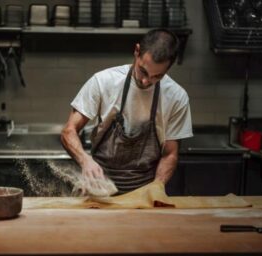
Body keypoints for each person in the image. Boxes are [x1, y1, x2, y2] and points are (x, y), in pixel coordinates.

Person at [61, 29, 193, 196]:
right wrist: (85, 160)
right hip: (98, 187)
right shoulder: (103, 82)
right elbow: (69, 131)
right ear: (137, 51)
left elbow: (170, 154)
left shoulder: (176, 97)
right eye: (143, 71)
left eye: (157, 76)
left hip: (143, 191)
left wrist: (157, 186)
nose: (146, 81)